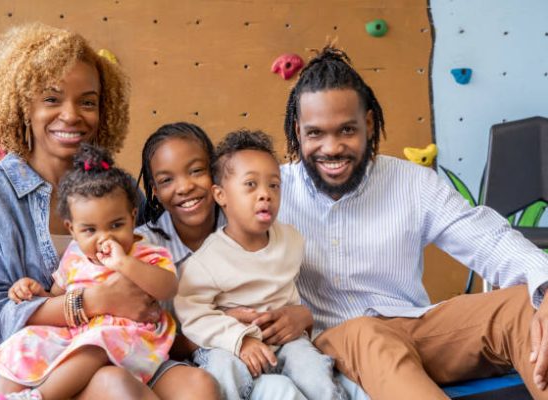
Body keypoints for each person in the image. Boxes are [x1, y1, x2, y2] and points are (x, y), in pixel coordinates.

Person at [0, 23, 218, 399]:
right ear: (23, 106)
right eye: (52, 99)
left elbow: (152, 281)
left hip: (117, 345)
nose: (72, 114)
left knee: (199, 387)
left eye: (88, 102)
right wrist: (94, 302)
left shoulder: (121, 190)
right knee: (112, 385)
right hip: (14, 361)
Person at [277, 45, 548, 399]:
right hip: (335, 343)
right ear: (298, 131)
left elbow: (489, 239)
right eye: (316, 133)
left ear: (368, 124)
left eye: (346, 130)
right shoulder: (272, 193)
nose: (331, 148)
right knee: (365, 332)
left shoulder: (412, 183)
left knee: (524, 305)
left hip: (414, 329)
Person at [0, 143, 178, 400]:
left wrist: (124, 264)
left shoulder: (144, 254)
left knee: (94, 344)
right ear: (72, 230)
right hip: (78, 332)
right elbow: (58, 296)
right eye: (90, 230)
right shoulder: (74, 256)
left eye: (116, 225)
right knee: (23, 341)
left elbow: (168, 287)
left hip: (130, 338)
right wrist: (37, 292)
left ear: (132, 217)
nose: (105, 237)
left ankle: (39, 396)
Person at [136, 122, 315, 399]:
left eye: (196, 171)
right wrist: (226, 330)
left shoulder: (252, 224)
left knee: (288, 385)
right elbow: (142, 342)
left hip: (267, 349)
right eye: (166, 180)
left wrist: (302, 315)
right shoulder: (144, 249)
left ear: (217, 177)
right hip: (193, 362)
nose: (184, 187)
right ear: (155, 191)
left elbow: (284, 287)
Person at [173, 129, 346, 400]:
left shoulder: (291, 240)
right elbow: (193, 318)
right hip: (228, 343)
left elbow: (290, 294)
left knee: (314, 372)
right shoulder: (205, 262)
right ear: (221, 195)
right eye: (251, 185)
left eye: (274, 185)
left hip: (284, 339)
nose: (265, 194)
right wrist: (239, 340)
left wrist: (297, 318)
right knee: (222, 371)